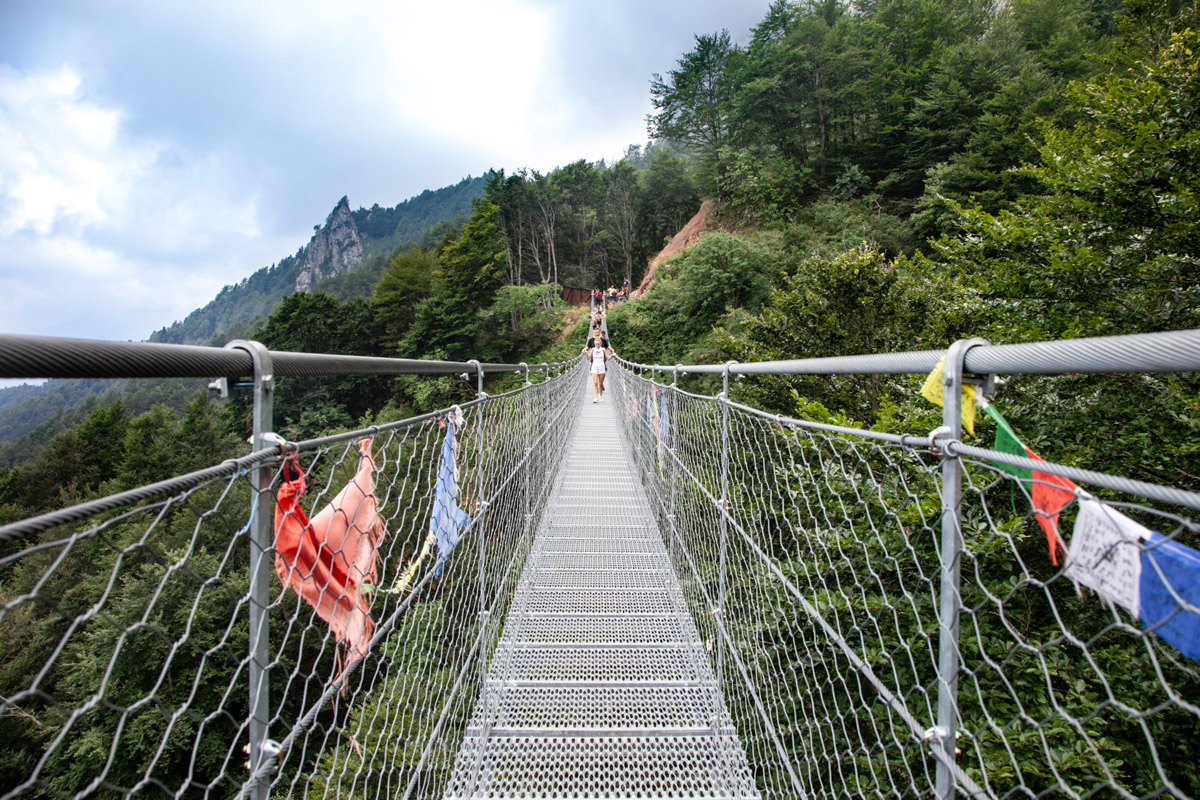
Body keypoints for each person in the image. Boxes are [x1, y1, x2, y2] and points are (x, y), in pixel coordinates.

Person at [585, 328, 613, 403]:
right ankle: (595, 397)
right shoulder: (592, 347)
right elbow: (588, 357)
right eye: (596, 344)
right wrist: (585, 353)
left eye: (598, 344)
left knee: (600, 383)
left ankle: (600, 396)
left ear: (600, 344)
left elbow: (608, 356)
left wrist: (612, 354)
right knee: (595, 383)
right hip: (594, 365)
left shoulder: (603, 347)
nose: (597, 345)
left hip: (602, 366)